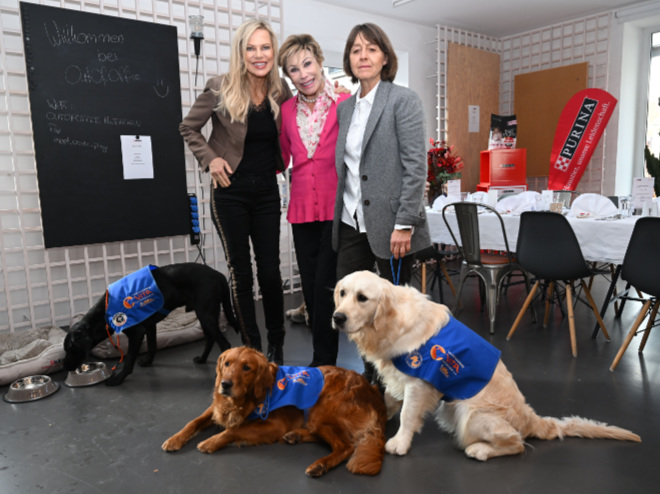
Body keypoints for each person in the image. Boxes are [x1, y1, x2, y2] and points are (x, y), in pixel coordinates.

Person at [179, 19, 292, 365]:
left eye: (265, 47)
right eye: (251, 48)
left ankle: (276, 343)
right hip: (230, 193)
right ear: (240, 52)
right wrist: (211, 159)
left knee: (271, 273)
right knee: (241, 274)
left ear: (273, 51)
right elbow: (188, 127)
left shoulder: (281, 91)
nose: (259, 55)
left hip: (267, 192)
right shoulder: (219, 87)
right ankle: (252, 348)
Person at [332, 23, 431, 380]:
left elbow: (416, 166)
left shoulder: (402, 100)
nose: (363, 56)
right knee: (353, 307)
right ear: (349, 59)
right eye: (356, 50)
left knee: (392, 311)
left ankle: (401, 381)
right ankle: (369, 378)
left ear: (385, 58)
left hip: (391, 226)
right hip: (349, 221)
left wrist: (405, 222)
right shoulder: (345, 109)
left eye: (371, 49)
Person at [278, 34, 350, 366]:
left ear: (320, 62)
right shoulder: (286, 110)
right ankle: (322, 359)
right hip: (301, 209)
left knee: (326, 286)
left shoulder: (345, 101)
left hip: (338, 209)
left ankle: (324, 360)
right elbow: (280, 157)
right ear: (288, 76)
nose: (303, 74)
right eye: (294, 69)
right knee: (309, 287)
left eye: (307, 64)